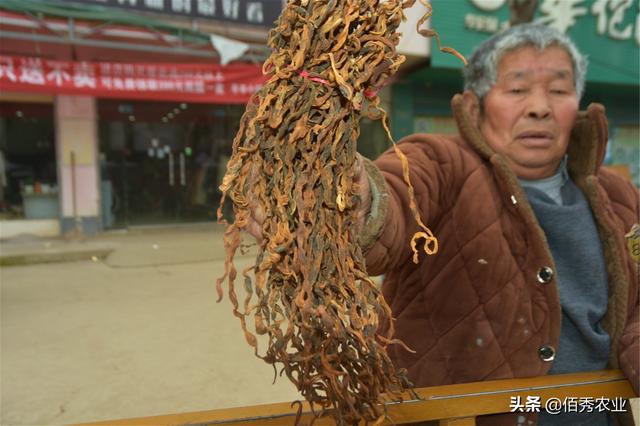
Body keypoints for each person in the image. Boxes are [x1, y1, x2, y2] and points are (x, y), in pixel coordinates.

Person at [352, 23, 638, 425]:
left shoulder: (619, 196)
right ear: (475, 106)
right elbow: (391, 205)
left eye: (559, 90)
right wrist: (354, 200)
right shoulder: (441, 164)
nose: (540, 107)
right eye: (517, 90)